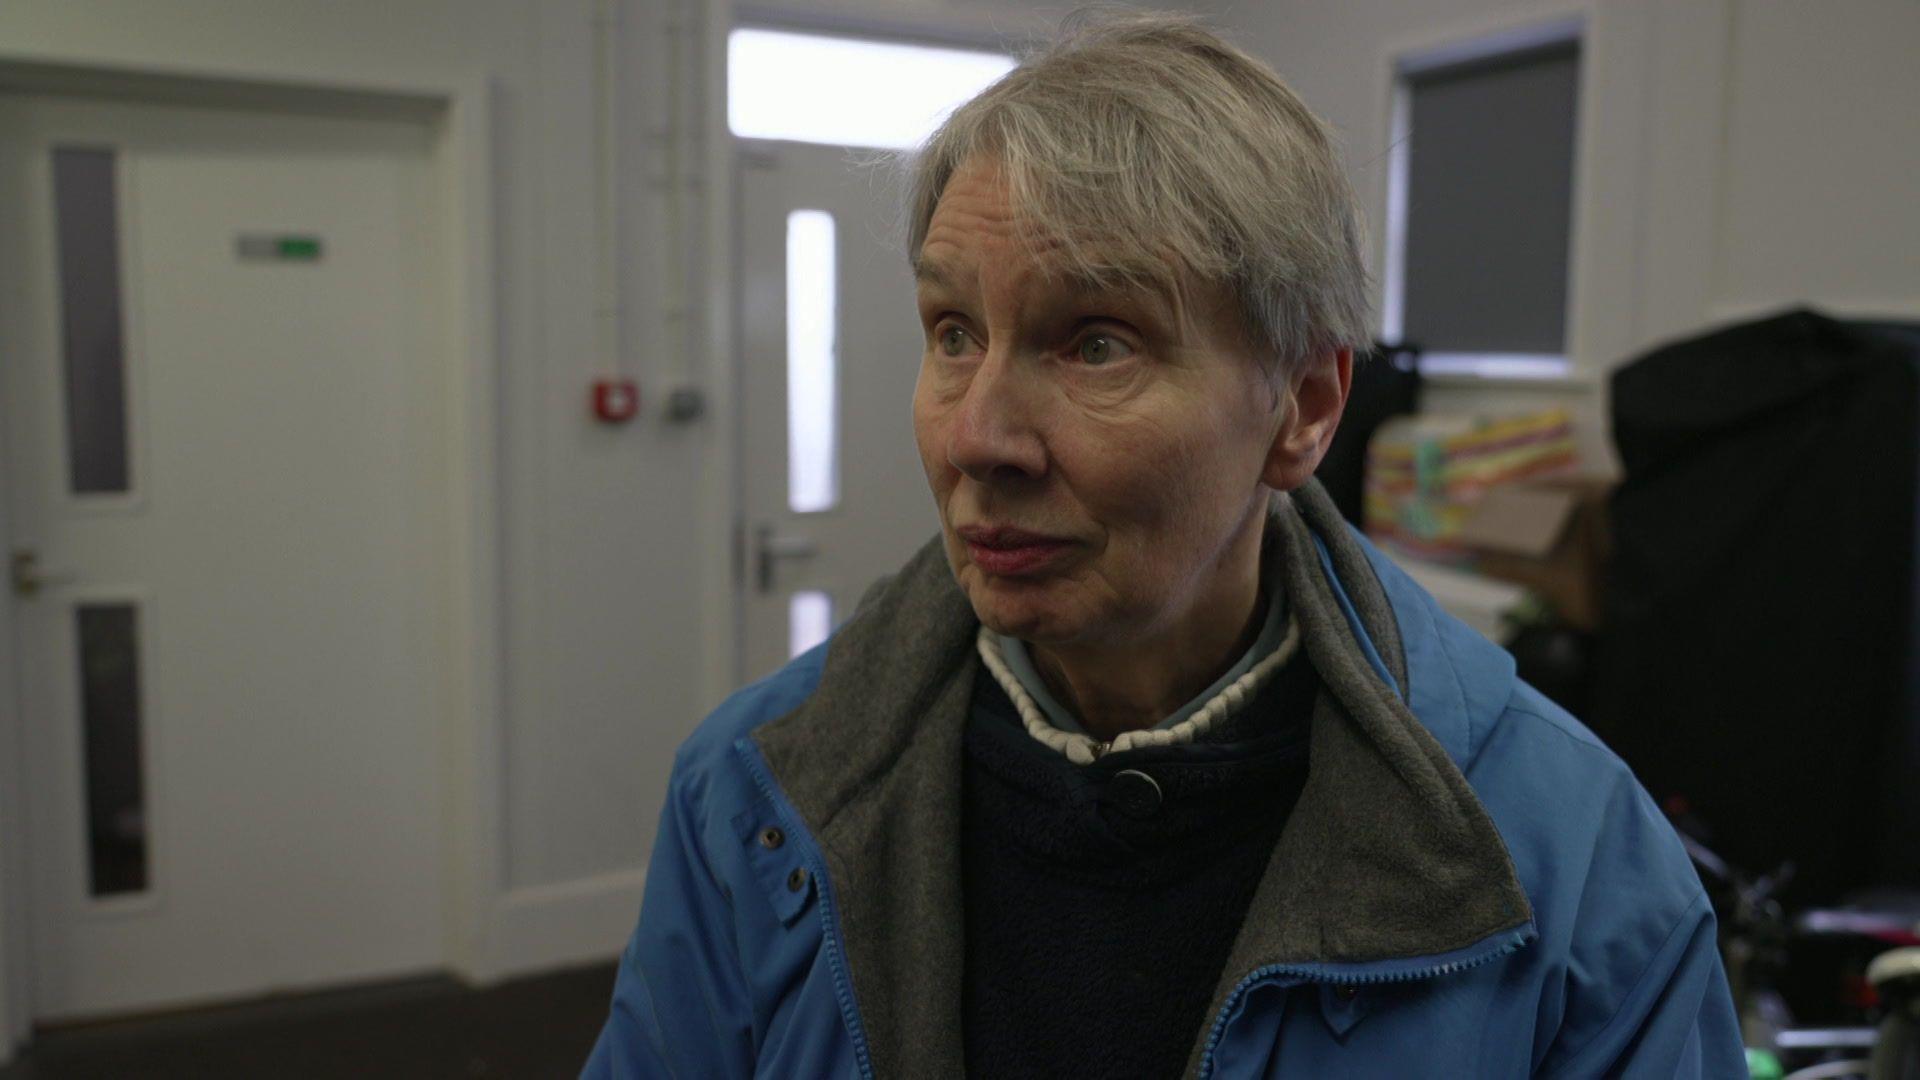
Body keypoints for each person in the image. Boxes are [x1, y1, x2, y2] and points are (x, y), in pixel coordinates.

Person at [584, 12, 1744, 1078]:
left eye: (1097, 344)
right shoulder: (752, 795)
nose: (979, 436)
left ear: (1303, 405)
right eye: (954, 332)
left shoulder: (1578, 860)